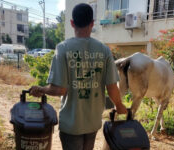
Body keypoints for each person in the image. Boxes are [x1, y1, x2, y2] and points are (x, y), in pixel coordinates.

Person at [29, 3, 127, 150]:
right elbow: (112, 87)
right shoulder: (104, 51)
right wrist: (119, 106)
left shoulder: (63, 48)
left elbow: (59, 90)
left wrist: (41, 89)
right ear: (92, 23)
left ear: (72, 23)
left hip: (71, 124)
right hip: (93, 122)